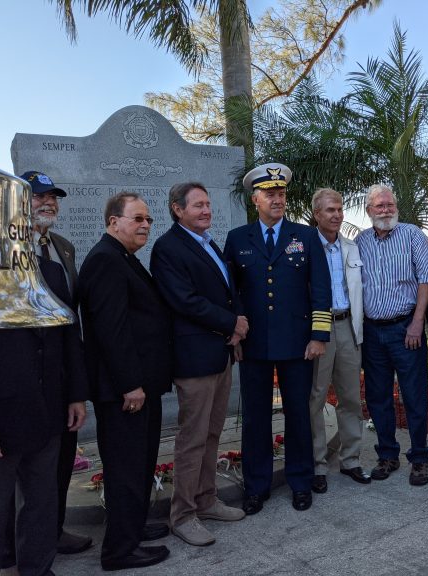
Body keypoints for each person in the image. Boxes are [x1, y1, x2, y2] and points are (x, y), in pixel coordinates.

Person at [0, 256, 88, 576]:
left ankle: (38, 570)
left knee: (41, 504)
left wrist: (75, 394)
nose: (43, 204)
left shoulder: (51, 270)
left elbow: (67, 334)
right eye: (35, 201)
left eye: (48, 201)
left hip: (47, 410)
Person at [223, 162, 332, 515]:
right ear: (255, 199)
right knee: (255, 418)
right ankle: (257, 486)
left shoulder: (306, 236)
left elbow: (321, 289)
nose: (278, 200)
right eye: (270, 194)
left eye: (281, 194)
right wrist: (235, 333)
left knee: (298, 413)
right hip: (254, 345)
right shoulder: (238, 238)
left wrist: (319, 335)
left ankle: (301, 481)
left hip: (297, 343)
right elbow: (231, 293)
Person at [79, 192, 173, 571]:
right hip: (125, 391)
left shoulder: (124, 259)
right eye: (137, 219)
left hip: (140, 387)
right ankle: (119, 551)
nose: (145, 225)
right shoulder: (105, 260)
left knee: (140, 463)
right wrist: (130, 384)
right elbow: (111, 330)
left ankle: (132, 528)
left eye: (148, 220)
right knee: (126, 469)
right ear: (113, 221)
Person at [150, 182, 247, 547]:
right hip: (194, 360)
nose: (206, 210)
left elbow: (227, 291)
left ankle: (206, 500)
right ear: (178, 209)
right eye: (198, 205)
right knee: (192, 439)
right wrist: (230, 323)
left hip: (220, 352)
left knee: (212, 433)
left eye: (208, 204)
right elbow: (184, 300)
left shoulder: (207, 242)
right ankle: (183, 514)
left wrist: (238, 325)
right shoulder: (168, 248)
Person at [21, 170, 92, 555]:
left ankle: (54, 529)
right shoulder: (3, 245)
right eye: (39, 196)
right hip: (24, 374)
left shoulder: (63, 246)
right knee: (27, 465)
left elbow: (70, 315)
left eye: (53, 197)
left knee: (63, 456)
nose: (49, 202)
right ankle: (22, 544)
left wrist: (77, 388)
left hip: (62, 370)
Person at [355, 184, 428, 486]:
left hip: (406, 329)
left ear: (396, 206)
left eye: (389, 204)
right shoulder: (360, 242)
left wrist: (417, 323)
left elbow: (426, 281)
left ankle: (419, 459)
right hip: (372, 332)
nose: (385, 210)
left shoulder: (413, 235)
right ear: (368, 211)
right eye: (378, 206)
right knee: (378, 398)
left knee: (414, 397)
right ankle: (387, 455)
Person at [308, 188, 370, 494]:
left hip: (348, 328)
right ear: (317, 214)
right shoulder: (305, 246)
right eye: (330, 210)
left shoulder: (352, 247)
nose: (336, 215)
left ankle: (351, 459)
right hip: (318, 332)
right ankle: (318, 464)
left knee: (350, 399)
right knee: (315, 399)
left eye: (340, 209)